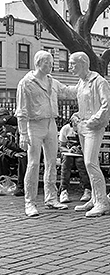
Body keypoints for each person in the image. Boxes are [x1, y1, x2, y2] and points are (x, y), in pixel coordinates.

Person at [16, 50, 75, 217]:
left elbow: (67, 91)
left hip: (51, 124)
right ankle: (30, 202)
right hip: (34, 125)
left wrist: (84, 85)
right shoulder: (26, 83)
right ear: (39, 63)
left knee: (51, 162)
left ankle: (51, 198)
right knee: (33, 164)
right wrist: (22, 133)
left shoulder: (52, 81)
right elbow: (21, 110)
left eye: (51, 62)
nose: (51, 65)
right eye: (48, 63)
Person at [68, 51, 110, 217]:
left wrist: (93, 121)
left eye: (73, 63)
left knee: (90, 162)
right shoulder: (81, 83)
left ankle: (102, 202)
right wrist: (78, 116)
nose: (70, 67)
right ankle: (95, 198)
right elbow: (81, 103)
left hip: (94, 127)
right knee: (90, 162)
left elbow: (108, 105)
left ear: (83, 63)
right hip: (83, 127)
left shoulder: (99, 81)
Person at [58, 115, 92, 203]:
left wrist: (81, 149)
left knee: (80, 162)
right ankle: (64, 191)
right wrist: (69, 150)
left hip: (81, 155)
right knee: (66, 162)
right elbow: (61, 147)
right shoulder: (65, 129)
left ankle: (87, 190)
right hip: (69, 154)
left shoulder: (85, 129)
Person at [0, 108, 27, 196]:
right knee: (2, 157)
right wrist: (13, 153)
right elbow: (3, 148)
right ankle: (4, 182)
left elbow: (21, 147)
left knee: (22, 157)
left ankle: (20, 187)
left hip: (22, 152)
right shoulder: (2, 131)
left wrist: (5, 142)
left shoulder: (22, 129)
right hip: (10, 154)